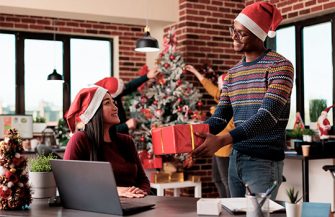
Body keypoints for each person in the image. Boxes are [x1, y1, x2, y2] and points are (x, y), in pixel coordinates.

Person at [192, 2, 294, 199]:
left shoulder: (280, 66)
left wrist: (222, 140)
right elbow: (219, 118)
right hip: (235, 158)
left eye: (241, 33)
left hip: (263, 162)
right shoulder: (232, 73)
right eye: (233, 30)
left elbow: (266, 117)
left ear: (258, 35)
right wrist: (191, 136)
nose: (233, 37)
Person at [64, 86, 150, 198]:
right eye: (107, 103)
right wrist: (114, 191)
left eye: (114, 103)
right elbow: (68, 183)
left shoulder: (126, 141)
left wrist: (139, 193)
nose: (115, 107)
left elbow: (143, 180)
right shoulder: (80, 140)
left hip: (136, 204)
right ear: (93, 111)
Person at [184, 64, 233, 198]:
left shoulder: (231, 104)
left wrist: (213, 117)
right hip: (216, 148)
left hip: (225, 148)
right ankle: (224, 203)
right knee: (217, 179)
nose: (218, 89)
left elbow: (231, 127)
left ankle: (229, 205)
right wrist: (194, 71)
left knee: (226, 181)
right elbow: (207, 85)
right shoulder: (219, 97)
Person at [95, 65, 159, 134]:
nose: (124, 90)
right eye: (121, 90)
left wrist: (147, 76)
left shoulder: (112, 95)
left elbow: (129, 86)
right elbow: (103, 132)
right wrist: (126, 125)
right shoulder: (98, 109)